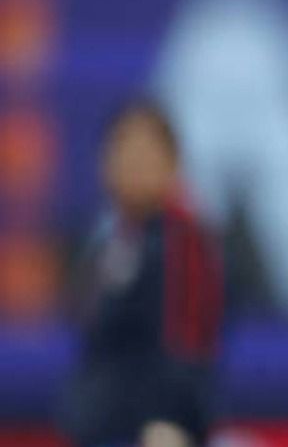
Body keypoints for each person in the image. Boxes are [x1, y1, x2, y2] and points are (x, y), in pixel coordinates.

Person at [58, 100, 223, 447]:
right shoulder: (103, 243)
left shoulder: (185, 240)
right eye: (123, 150)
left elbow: (188, 348)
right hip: (100, 430)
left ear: (173, 163)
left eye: (146, 152)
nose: (134, 164)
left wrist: (169, 426)